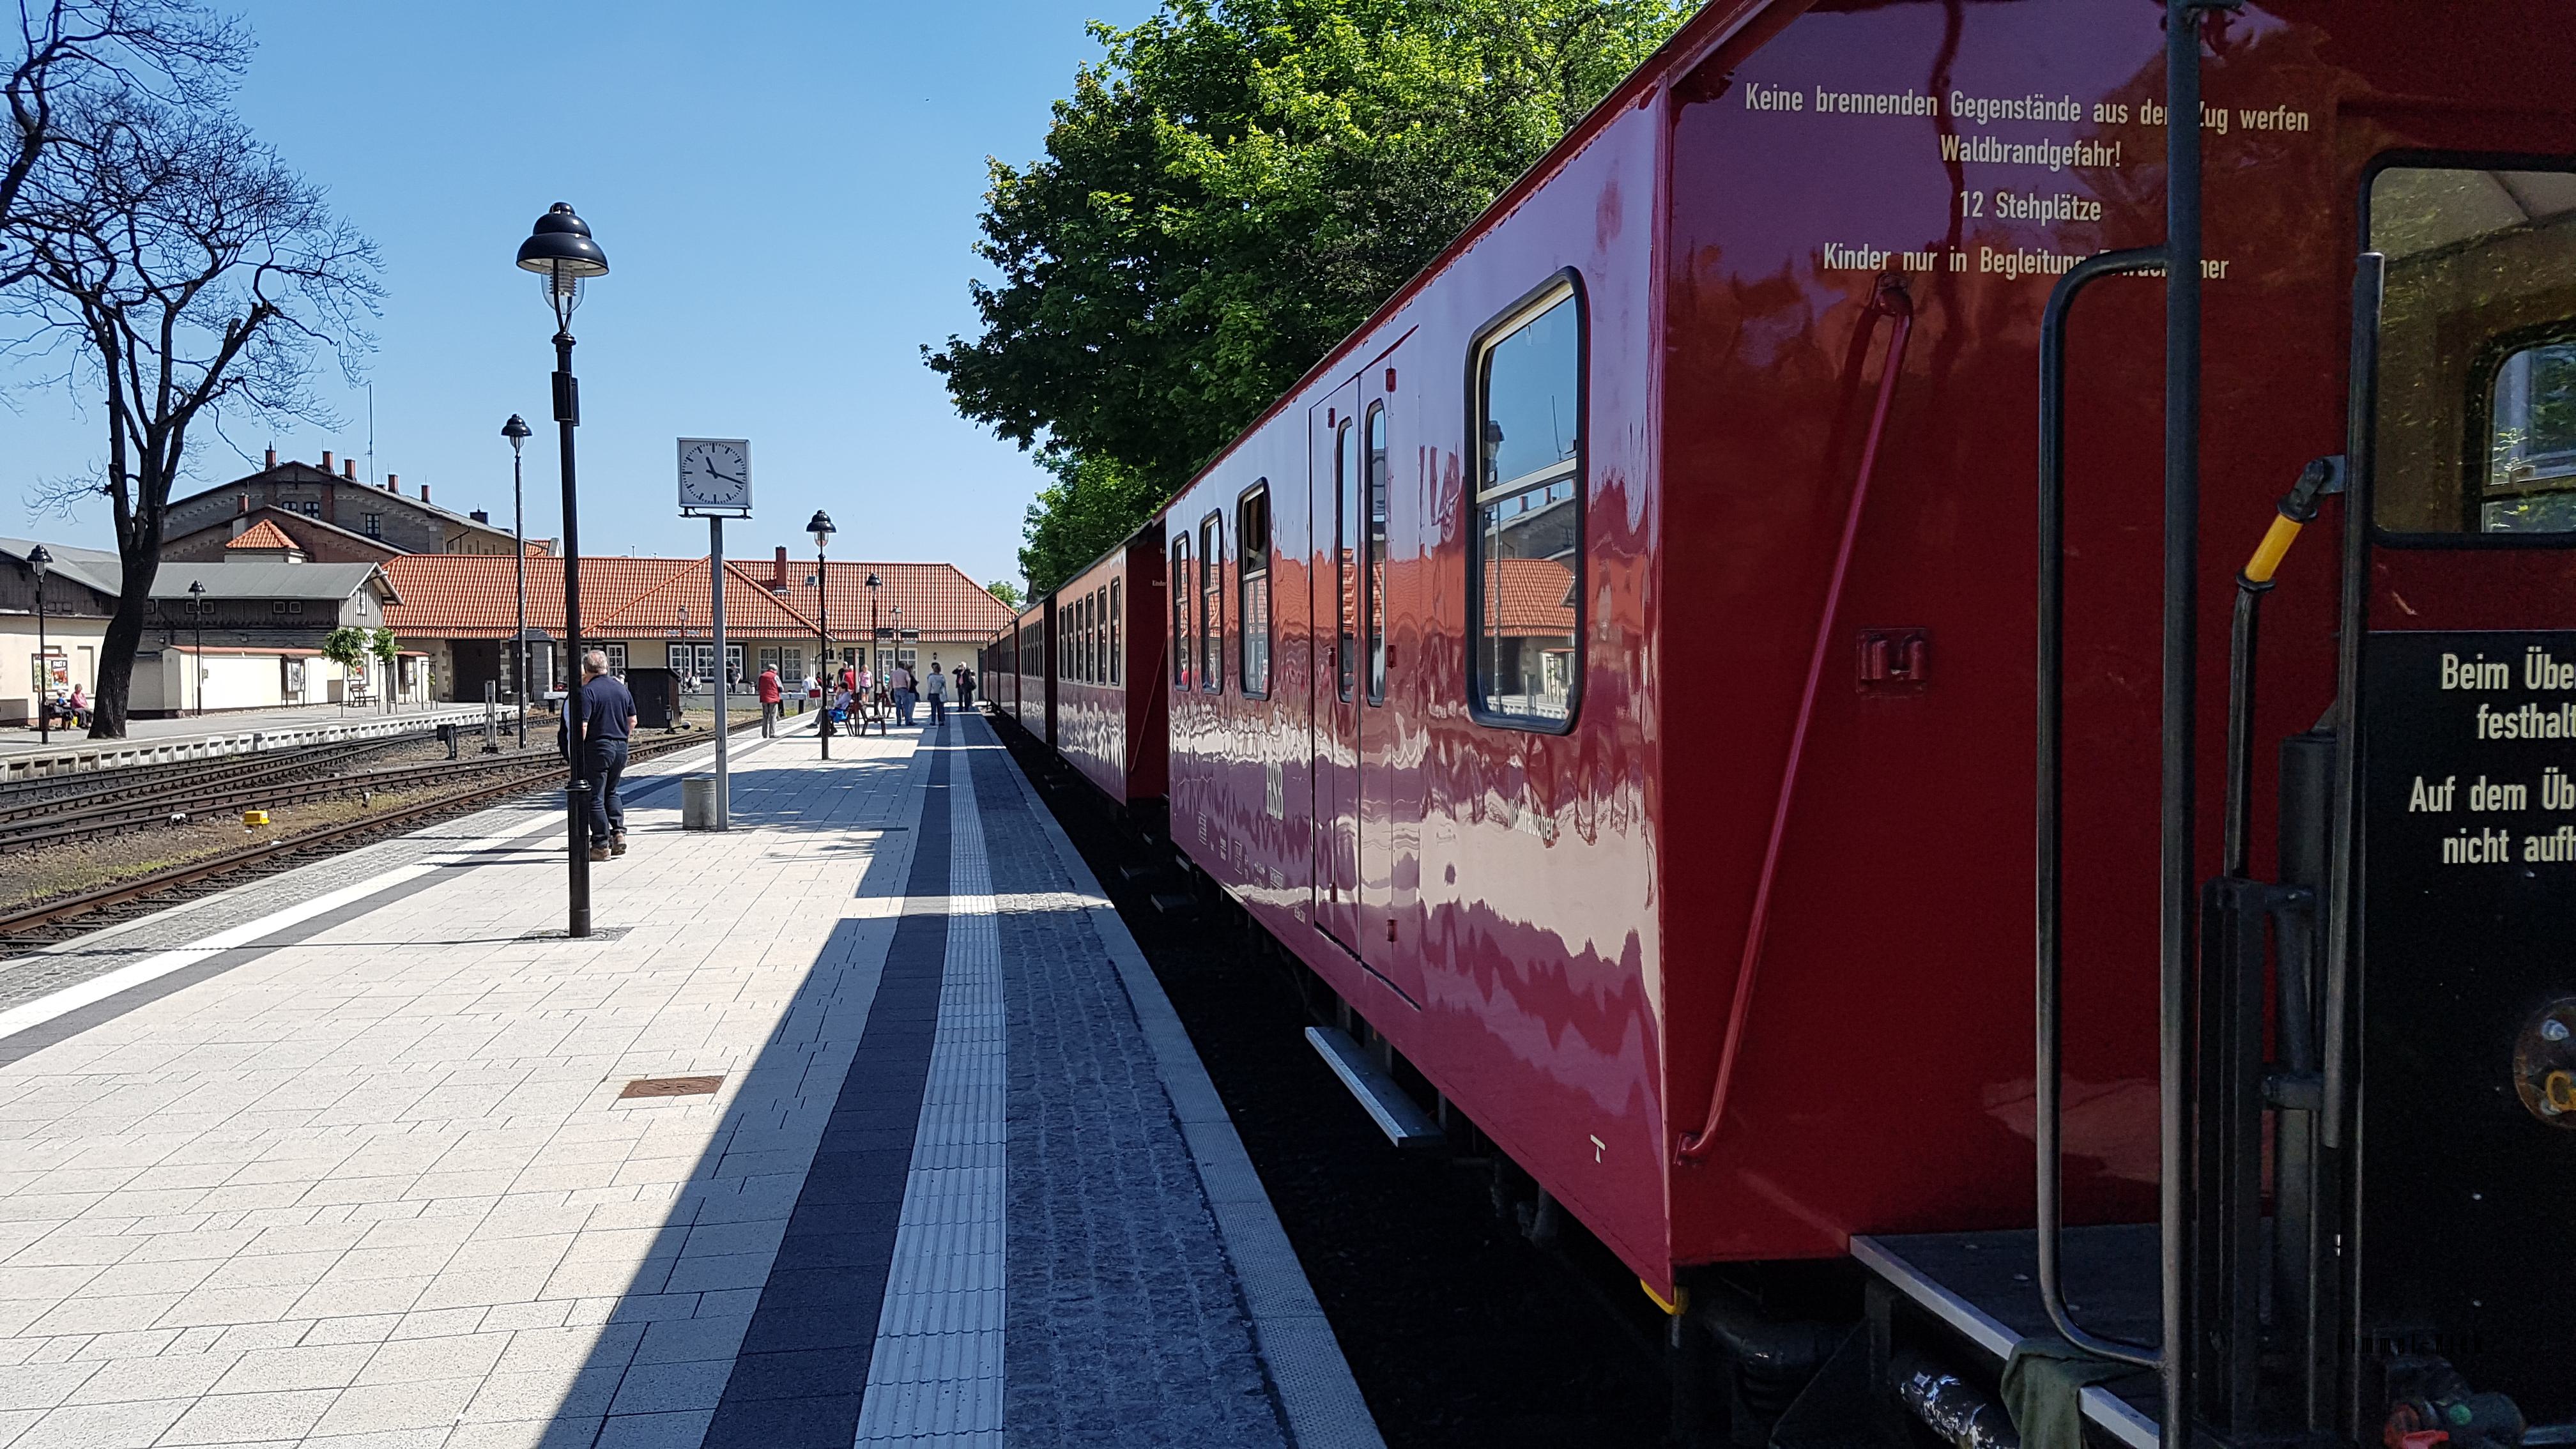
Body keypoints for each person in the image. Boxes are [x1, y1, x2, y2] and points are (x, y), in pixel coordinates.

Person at [567, 650, 636, 861]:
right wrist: (621, 738)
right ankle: (618, 833)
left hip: (598, 747)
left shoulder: (587, 692)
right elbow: (633, 721)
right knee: (612, 791)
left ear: (587, 669)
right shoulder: (621, 689)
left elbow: (583, 726)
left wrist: (578, 751)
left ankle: (600, 845)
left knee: (595, 796)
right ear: (606, 667)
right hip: (621, 747)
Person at [755, 664, 783, 737]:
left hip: (764, 699)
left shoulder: (762, 676)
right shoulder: (775, 676)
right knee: (773, 716)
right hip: (773, 699)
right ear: (775, 670)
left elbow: (757, 687)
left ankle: (764, 734)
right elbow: (781, 688)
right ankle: (772, 733)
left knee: (765, 716)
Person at [890, 662, 916, 726]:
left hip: (896, 689)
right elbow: (909, 681)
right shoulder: (905, 673)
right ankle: (907, 722)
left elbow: (890, 681)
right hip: (903, 689)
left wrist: (893, 688)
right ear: (903, 666)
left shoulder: (893, 673)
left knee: (898, 707)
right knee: (906, 706)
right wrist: (908, 688)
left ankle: (899, 722)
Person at [923, 661, 947, 725]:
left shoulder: (931, 677)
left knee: (933, 708)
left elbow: (929, 687)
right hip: (940, 694)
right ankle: (941, 721)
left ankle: (933, 721)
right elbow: (945, 686)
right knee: (941, 708)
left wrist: (928, 694)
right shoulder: (942, 677)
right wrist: (946, 695)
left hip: (933, 694)